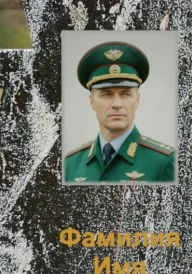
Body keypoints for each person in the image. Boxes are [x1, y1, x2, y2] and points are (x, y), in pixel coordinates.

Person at [65, 41, 176, 183]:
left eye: (126, 94)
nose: (117, 104)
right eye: (106, 94)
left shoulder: (163, 162)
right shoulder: (70, 164)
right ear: (92, 101)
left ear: (137, 100)